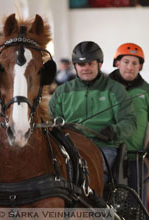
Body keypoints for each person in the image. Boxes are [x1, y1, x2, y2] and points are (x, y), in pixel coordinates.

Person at [49, 41, 137, 184]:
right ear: (75, 66)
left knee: (89, 177)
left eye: (90, 64)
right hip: (68, 147)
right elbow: (52, 120)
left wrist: (113, 131)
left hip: (102, 147)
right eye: (81, 64)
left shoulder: (116, 90)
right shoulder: (61, 92)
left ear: (100, 64)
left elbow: (130, 122)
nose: (86, 68)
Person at [109, 42, 149, 206]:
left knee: (137, 209)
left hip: (135, 159)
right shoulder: (102, 88)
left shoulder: (148, 92)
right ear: (117, 63)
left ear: (140, 66)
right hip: (106, 158)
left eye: (135, 63)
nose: (130, 67)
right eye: (126, 61)